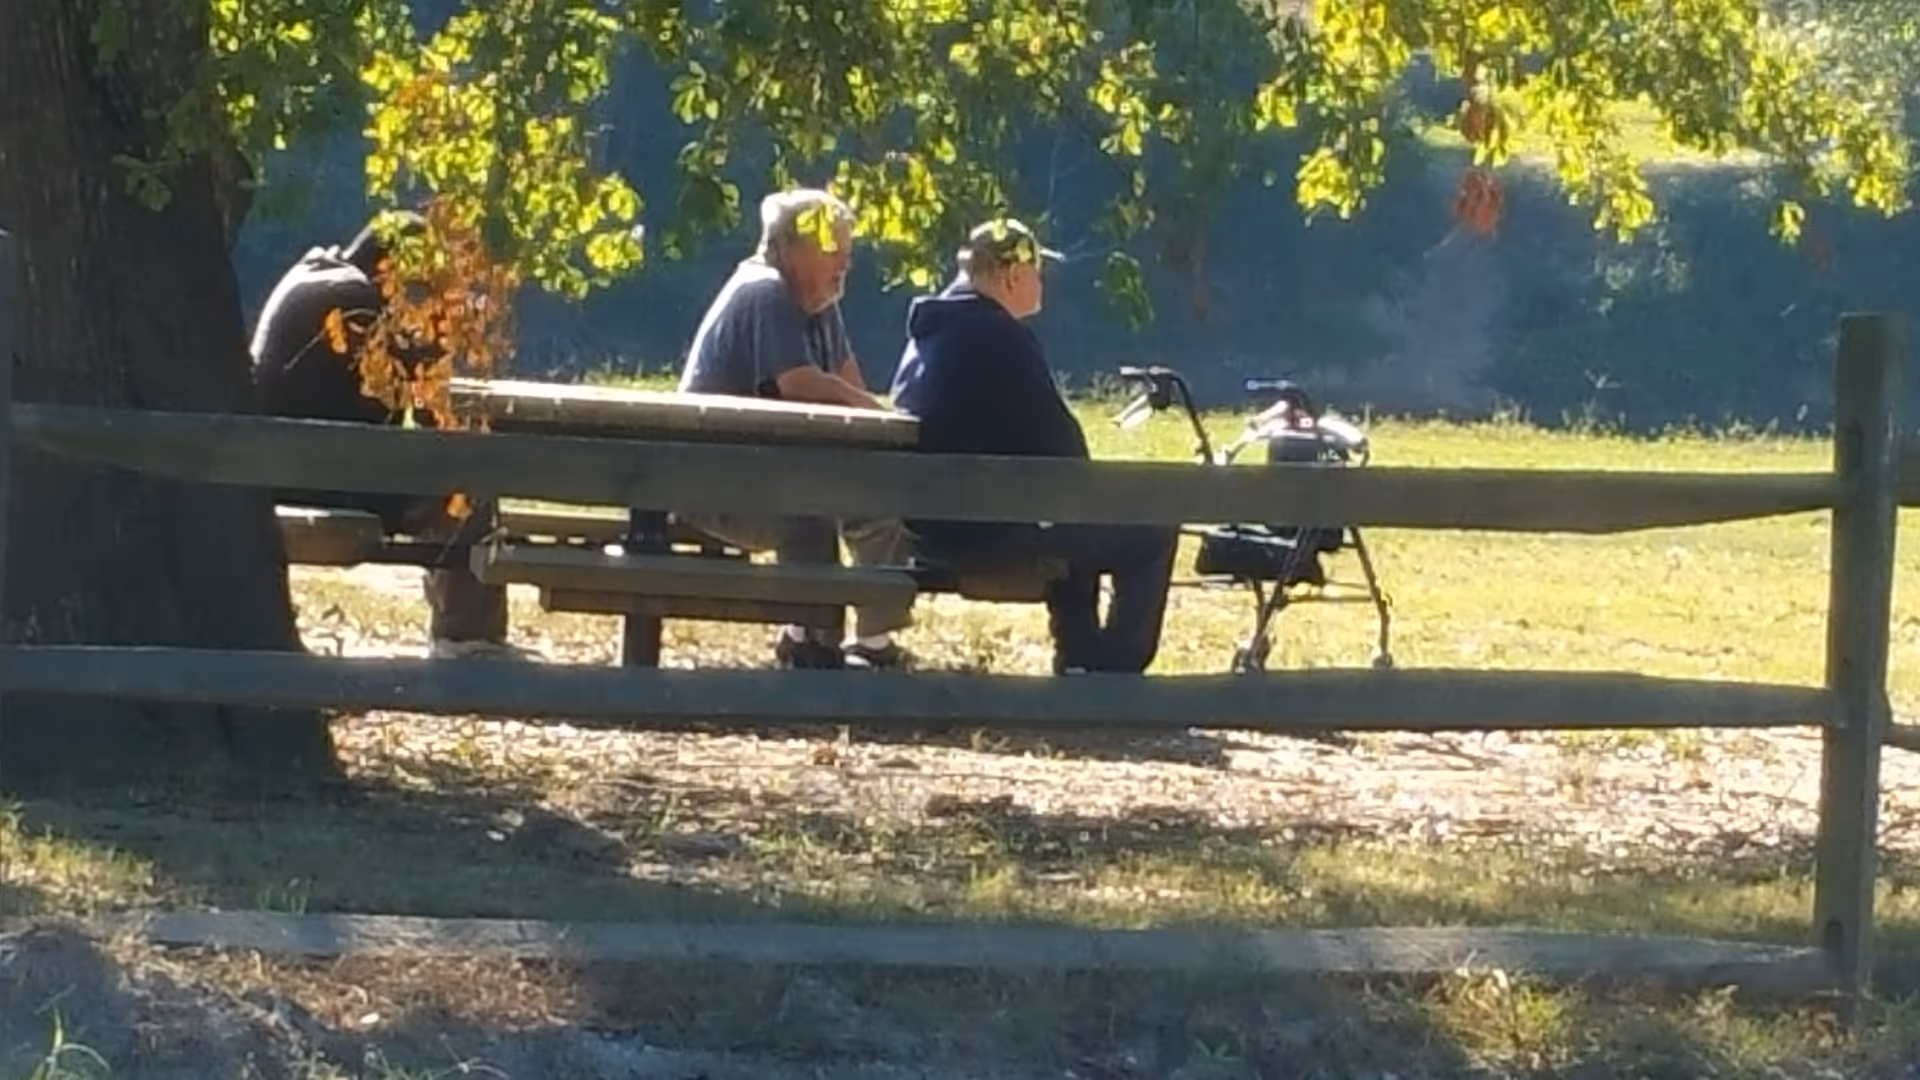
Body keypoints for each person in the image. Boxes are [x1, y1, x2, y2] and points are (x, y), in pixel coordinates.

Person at [890, 218, 1179, 675]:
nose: (1042, 283)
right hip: (979, 537)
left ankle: (1081, 654)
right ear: (1012, 276)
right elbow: (1062, 450)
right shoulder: (998, 336)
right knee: (1151, 529)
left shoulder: (931, 333)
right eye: (1038, 272)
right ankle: (1113, 670)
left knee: (1067, 514)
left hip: (928, 531)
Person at [250, 209, 535, 662]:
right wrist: (432, 347)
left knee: (451, 468)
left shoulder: (319, 278)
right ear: (392, 270)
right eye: (423, 284)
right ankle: (469, 639)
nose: (427, 299)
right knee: (467, 475)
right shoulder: (354, 301)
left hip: (285, 466)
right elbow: (406, 408)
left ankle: (466, 632)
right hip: (315, 479)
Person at [676, 188, 917, 670]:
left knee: (861, 499)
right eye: (833, 249)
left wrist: (883, 426)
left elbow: (847, 385)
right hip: (714, 485)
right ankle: (839, 641)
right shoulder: (765, 290)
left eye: (848, 250)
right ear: (788, 248)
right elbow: (799, 383)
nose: (846, 261)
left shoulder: (820, 304)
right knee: (840, 509)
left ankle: (830, 639)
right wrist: (887, 419)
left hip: (773, 476)